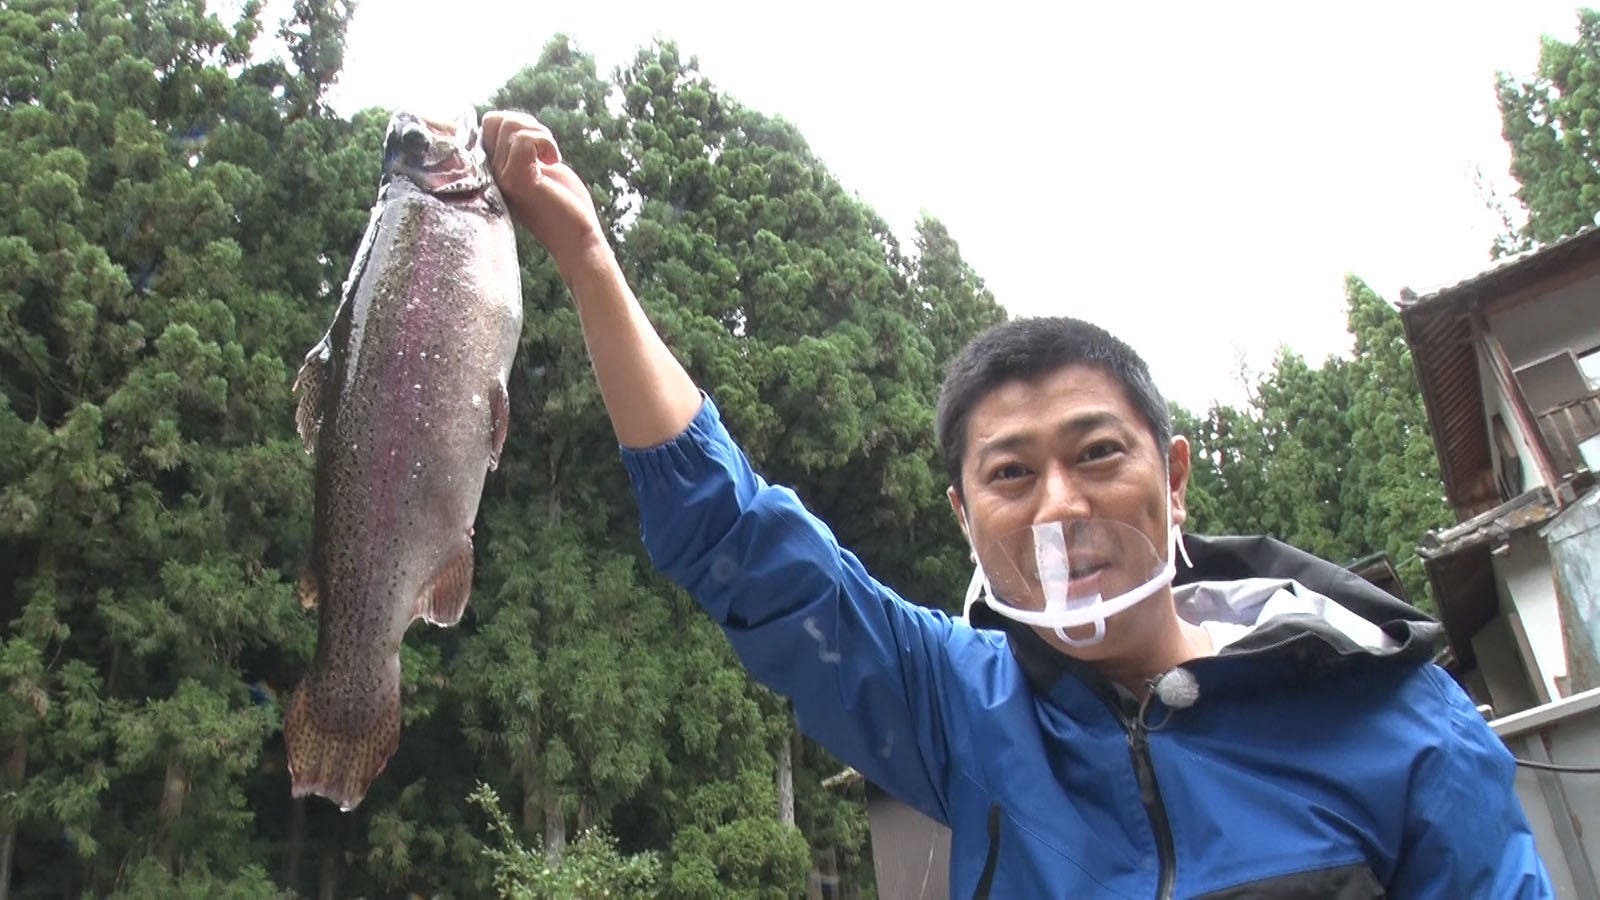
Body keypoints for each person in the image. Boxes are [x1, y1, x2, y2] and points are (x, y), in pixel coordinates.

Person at [478, 109, 1555, 898]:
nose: (1059, 506)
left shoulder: (1398, 717)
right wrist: (585, 258)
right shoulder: (957, 709)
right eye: (1010, 475)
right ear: (961, 516)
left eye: (1097, 454)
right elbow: (732, 532)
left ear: (1173, 477)